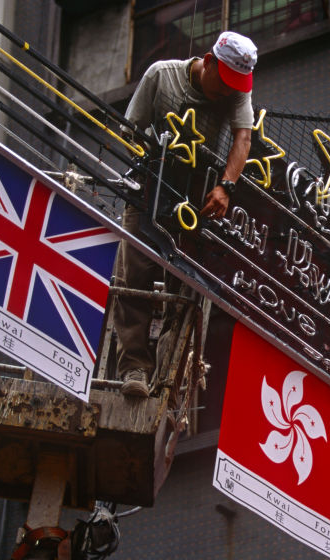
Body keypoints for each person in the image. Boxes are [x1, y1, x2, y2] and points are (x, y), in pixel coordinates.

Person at [114, 31, 257, 397]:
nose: (226, 92)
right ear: (208, 61)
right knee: (135, 276)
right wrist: (153, 159)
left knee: (185, 286)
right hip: (149, 187)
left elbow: (243, 137)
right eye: (223, 82)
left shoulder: (236, 91)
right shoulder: (161, 75)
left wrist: (226, 186)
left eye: (234, 87)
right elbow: (129, 130)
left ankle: (167, 375)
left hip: (195, 200)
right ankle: (134, 368)